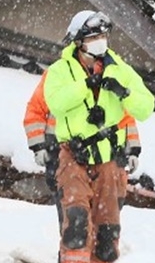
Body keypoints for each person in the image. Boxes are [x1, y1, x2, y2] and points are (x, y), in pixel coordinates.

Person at [43, 10, 154, 263]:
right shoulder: (60, 71)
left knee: (107, 228)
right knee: (77, 221)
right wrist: (87, 84)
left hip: (110, 158)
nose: (100, 41)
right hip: (75, 155)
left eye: (103, 36)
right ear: (78, 41)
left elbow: (146, 107)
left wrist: (123, 92)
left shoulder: (120, 68)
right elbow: (56, 104)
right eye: (94, 37)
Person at [23, 72, 142, 212]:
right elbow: (36, 110)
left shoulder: (112, 74)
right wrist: (39, 146)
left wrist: (133, 150)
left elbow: (126, 118)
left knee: (103, 222)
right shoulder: (58, 73)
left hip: (106, 157)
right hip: (65, 154)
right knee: (75, 216)